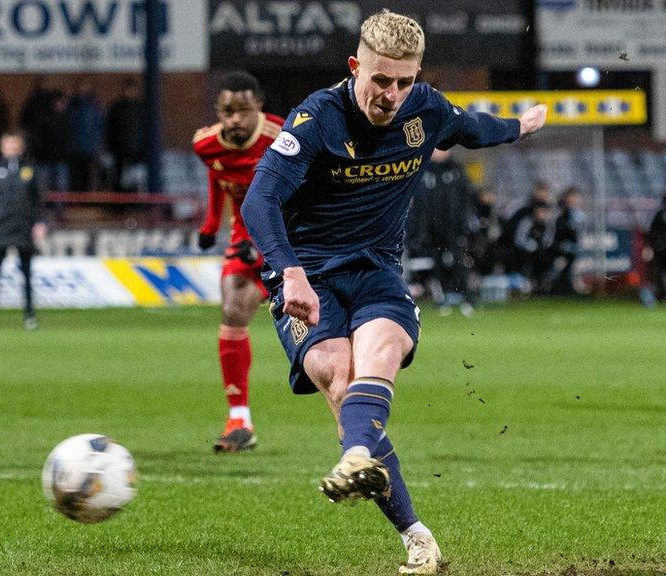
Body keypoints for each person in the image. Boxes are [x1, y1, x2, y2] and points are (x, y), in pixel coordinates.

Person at [240, 10, 546, 574]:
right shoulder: (316, 119)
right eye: (381, 80)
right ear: (356, 66)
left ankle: (357, 457)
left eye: (404, 81)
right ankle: (416, 533)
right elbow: (258, 202)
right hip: (309, 277)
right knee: (337, 373)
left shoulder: (424, 108)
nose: (392, 94)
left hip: (377, 269)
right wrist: (290, 272)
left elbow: (474, 128)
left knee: (379, 353)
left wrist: (519, 127)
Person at [192, 71, 284, 452]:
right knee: (232, 310)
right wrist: (211, 224)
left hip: (295, 235)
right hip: (246, 237)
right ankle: (239, 420)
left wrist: (266, 251)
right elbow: (219, 178)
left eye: (243, 110)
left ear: (258, 108)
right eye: (227, 111)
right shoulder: (206, 144)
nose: (235, 119)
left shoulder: (281, 138)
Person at [0, 129, 46, 330]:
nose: (11, 148)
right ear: (2, 146)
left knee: (27, 273)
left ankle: (30, 315)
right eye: (8, 145)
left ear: (20, 147)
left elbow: (38, 199)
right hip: (0, 228)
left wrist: (40, 222)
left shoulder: (30, 169)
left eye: (15, 145)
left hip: (23, 227)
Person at [414, 148, 477, 315]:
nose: (438, 152)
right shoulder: (423, 170)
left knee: (459, 262)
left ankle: (468, 299)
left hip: (454, 229)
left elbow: (466, 199)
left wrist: (464, 224)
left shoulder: (456, 170)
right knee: (436, 266)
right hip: (431, 230)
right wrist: (419, 229)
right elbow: (418, 203)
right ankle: (440, 300)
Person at [550, 187, 585, 295]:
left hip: (573, 249)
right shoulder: (560, 215)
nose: (573, 200)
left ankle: (570, 287)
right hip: (559, 249)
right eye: (571, 197)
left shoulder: (580, 216)